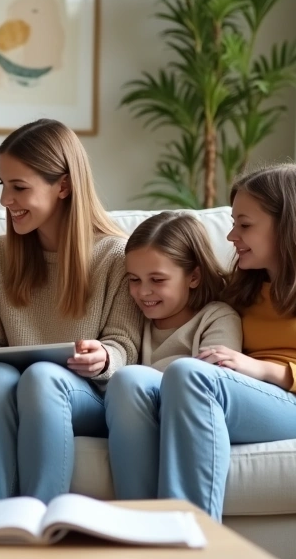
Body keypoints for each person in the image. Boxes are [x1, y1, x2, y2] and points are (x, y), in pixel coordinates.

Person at [103, 163, 296, 526]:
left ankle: (193, 544)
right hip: (245, 398)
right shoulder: (243, 288)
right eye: (233, 223)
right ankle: (140, 533)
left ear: (287, 224)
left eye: (244, 225)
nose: (231, 236)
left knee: (191, 374)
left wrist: (265, 370)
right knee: (132, 380)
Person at [0, 118, 144, 503]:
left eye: (19, 187)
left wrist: (104, 356)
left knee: (42, 377)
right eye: (2, 185)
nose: (5, 200)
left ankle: (43, 519)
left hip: (87, 397)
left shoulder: (115, 254)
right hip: (15, 390)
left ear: (63, 186)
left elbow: (124, 343)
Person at [103, 211, 241, 502]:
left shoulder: (217, 318)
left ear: (194, 277)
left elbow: (209, 385)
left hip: (186, 415)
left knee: (133, 379)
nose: (143, 292)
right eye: (134, 279)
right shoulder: (132, 319)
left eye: (157, 279)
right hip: (129, 413)